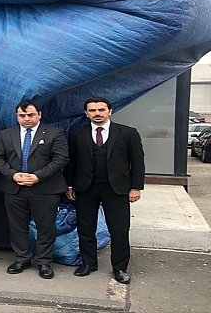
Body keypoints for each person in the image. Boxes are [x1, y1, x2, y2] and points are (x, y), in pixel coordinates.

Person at [64, 97, 145, 285]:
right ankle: (88, 263)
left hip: (117, 189)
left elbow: (138, 162)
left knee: (119, 230)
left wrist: (135, 187)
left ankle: (120, 268)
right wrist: (69, 185)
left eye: (101, 109)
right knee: (86, 228)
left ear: (110, 110)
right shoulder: (77, 134)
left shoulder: (127, 133)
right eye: (92, 110)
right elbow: (71, 162)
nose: (97, 113)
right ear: (86, 113)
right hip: (86, 188)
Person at [0, 100, 69, 279]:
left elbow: (61, 159)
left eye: (31, 115)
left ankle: (44, 262)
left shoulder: (54, 133)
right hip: (14, 188)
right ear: (17, 116)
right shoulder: (6, 134)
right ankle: (22, 258)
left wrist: (38, 176)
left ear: (39, 115)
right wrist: (13, 175)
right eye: (22, 115)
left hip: (45, 188)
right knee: (17, 226)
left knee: (46, 227)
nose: (26, 119)